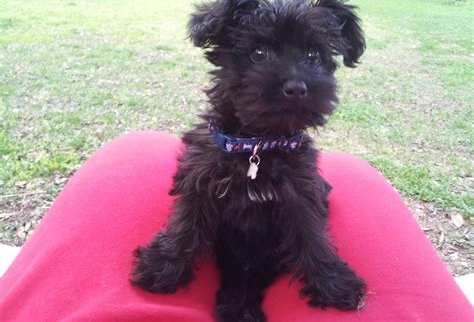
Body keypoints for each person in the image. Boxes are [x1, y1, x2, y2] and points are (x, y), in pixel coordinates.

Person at [0, 132, 471, 321]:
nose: (295, 80)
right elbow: (194, 205)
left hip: (276, 226)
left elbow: (305, 216)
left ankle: (253, 289)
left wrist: (323, 267)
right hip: (226, 200)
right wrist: (175, 250)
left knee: (303, 206)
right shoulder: (210, 151)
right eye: (261, 52)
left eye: (313, 56)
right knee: (201, 204)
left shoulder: (298, 156)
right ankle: (219, 280)